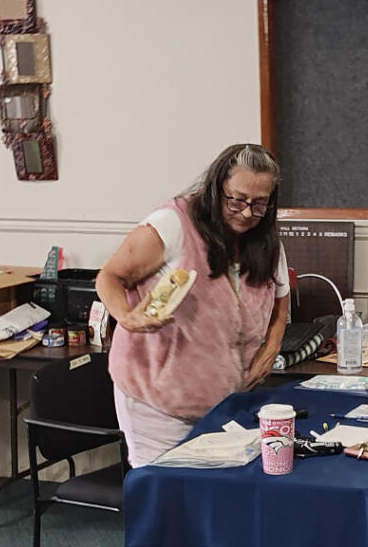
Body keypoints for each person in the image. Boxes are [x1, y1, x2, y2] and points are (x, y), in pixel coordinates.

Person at [96, 143, 289, 468]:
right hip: (158, 400)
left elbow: (280, 301)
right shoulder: (173, 223)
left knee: (214, 497)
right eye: (237, 200)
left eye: (259, 205)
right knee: (167, 497)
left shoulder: (265, 240)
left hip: (224, 400)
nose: (246, 213)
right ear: (217, 187)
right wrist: (127, 317)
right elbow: (109, 277)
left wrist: (270, 349)